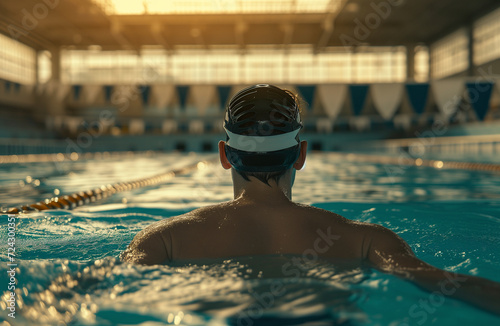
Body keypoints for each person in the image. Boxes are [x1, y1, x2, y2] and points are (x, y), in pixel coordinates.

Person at [121, 84, 500, 315]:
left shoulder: (165, 240)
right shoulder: (366, 240)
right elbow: (452, 284)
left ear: (225, 155)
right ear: (300, 154)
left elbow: (94, 286)